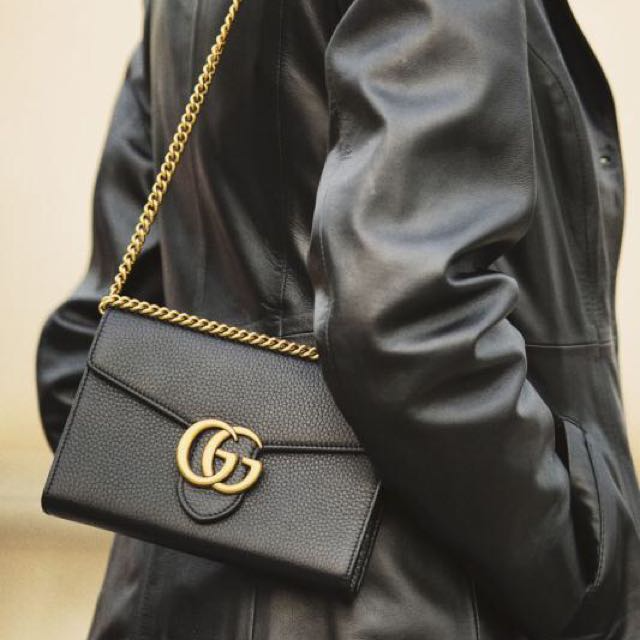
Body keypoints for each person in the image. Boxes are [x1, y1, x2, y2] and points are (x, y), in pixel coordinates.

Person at [37, 1, 640, 638]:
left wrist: (213, 478)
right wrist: (584, 574)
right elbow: (405, 320)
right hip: (416, 606)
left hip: (164, 602)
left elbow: (84, 351)